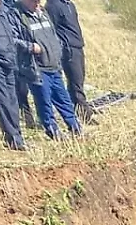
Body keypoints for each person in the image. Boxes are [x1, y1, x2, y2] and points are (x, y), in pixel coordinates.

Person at [12, 0, 81, 140]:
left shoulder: (43, 12)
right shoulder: (17, 15)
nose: (38, 3)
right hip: (37, 69)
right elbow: (12, 40)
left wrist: (58, 49)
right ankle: (52, 131)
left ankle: (76, 128)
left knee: (64, 100)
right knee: (44, 102)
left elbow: (53, 35)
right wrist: (30, 47)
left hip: (54, 66)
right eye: (35, 1)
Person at [43, 0, 90, 123]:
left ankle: (78, 109)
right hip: (68, 49)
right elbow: (51, 29)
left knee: (79, 80)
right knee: (75, 82)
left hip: (78, 46)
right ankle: (83, 114)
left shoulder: (69, 4)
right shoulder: (52, 5)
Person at [0, 0, 23, 149]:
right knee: (3, 99)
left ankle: (17, 133)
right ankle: (12, 139)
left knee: (12, 98)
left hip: (10, 60)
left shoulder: (5, 8)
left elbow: (12, 33)